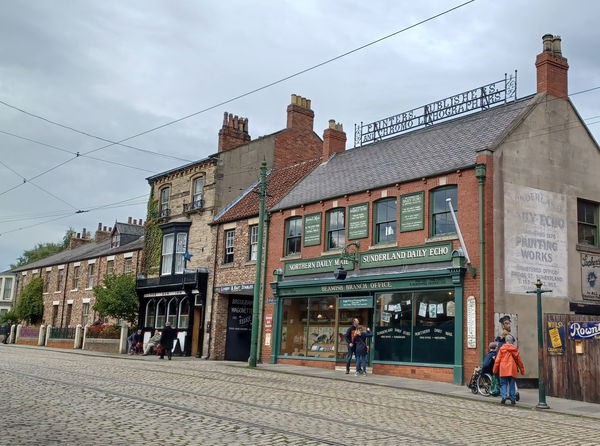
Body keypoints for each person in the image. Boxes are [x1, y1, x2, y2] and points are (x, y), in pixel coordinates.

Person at [492, 334, 525, 405]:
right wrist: (522, 370)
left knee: (503, 384)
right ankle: (513, 399)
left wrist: (495, 370)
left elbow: (497, 361)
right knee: (512, 384)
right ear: (511, 342)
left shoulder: (502, 349)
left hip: (503, 369)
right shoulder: (514, 349)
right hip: (512, 369)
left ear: (506, 341)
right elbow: (519, 361)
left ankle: (504, 396)